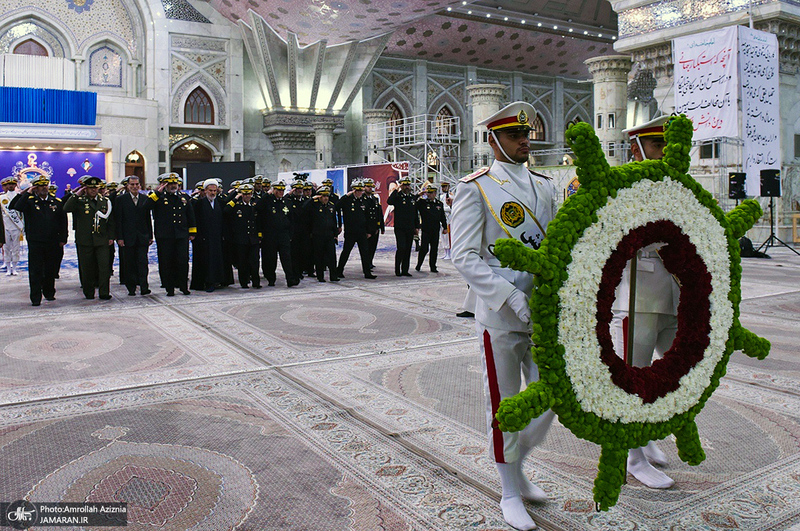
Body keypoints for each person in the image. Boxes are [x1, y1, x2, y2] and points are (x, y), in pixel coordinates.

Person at [451, 102, 558, 531]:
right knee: (506, 405)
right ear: (493, 140)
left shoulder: (546, 184)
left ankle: (517, 463)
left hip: (544, 312)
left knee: (552, 394)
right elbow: (464, 255)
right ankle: (509, 489)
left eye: (526, 134)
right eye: (515, 136)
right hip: (500, 314)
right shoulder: (475, 187)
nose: (525, 141)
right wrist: (510, 296)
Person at [614, 115, 676, 490]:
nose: (664, 151)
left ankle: (646, 432)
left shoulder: (674, 186)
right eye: (656, 145)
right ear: (636, 149)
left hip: (673, 294)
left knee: (674, 374)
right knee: (633, 380)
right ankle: (634, 457)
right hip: (637, 296)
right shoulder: (623, 189)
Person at [10, 172, 67, 306]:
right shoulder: (29, 201)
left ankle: (49, 292)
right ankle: (35, 297)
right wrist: (26, 192)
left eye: (45, 185)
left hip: (52, 241)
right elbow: (14, 206)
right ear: (35, 188)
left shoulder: (56, 202)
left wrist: (63, 238)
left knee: (50, 269)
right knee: (35, 270)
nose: (44, 188)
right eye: (40, 186)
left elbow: (62, 222)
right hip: (36, 241)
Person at [63, 176, 115, 300]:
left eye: (95, 188)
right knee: (87, 268)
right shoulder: (80, 200)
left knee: (104, 267)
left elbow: (111, 220)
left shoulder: (104, 201)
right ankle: (89, 292)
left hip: (101, 239)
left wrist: (111, 236)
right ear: (85, 188)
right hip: (85, 239)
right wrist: (77, 194)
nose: (93, 190)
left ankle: (104, 292)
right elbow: (66, 208)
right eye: (90, 188)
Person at [146, 172, 196, 296]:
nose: (173, 186)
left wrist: (192, 231)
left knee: (183, 261)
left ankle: (183, 286)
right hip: (165, 236)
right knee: (166, 262)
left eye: (175, 183)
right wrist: (157, 192)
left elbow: (190, 215)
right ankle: (170, 288)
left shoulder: (184, 197)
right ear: (164, 184)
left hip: (181, 235)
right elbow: (146, 207)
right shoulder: (158, 197)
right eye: (170, 183)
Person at [115, 175, 152, 296]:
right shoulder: (121, 199)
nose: (135, 187)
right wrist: (119, 237)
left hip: (142, 237)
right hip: (127, 237)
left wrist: (150, 235)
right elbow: (118, 220)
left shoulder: (144, 198)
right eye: (132, 185)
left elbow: (148, 219)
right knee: (129, 263)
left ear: (140, 185)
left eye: (137, 184)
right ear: (128, 186)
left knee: (143, 263)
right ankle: (131, 288)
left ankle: (144, 287)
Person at [258, 180, 299, 287]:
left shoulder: (287, 202)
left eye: (282, 190)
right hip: (270, 235)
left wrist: (290, 234)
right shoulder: (268, 201)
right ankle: (271, 279)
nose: (281, 192)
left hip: (283, 235)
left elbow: (291, 220)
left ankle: (290, 279)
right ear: (274, 190)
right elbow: (258, 207)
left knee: (286, 258)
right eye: (278, 190)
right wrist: (268, 194)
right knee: (271, 259)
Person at [336, 180, 377, 279]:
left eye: (361, 191)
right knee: (346, 252)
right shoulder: (347, 200)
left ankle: (367, 272)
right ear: (354, 190)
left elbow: (367, 216)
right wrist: (346, 196)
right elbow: (337, 206)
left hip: (362, 231)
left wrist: (368, 231)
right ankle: (339, 270)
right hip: (351, 232)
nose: (360, 193)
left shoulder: (363, 200)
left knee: (365, 252)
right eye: (358, 191)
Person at [224, 182, 262, 289]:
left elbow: (259, 221)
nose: (247, 197)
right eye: (245, 194)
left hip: (253, 238)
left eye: (249, 194)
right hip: (241, 239)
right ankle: (244, 282)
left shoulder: (255, 205)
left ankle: (256, 282)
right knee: (242, 262)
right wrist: (236, 198)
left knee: (255, 261)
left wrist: (259, 235)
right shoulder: (236, 205)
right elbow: (226, 210)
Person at [194, 178, 226, 292]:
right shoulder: (199, 204)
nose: (213, 193)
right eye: (210, 191)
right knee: (205, 260)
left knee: (216, 259)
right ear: (205, 191)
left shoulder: (219, 203)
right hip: (204, 238)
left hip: (216, 237)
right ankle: (207, 282)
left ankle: (216, 280)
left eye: (214, 191)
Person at [303, 185, 340, 282]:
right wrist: (312, 199)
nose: (326, 198)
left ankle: (333, 276)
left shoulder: (331, 206)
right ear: (319, 197)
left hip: (329, 235)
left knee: (332, 256)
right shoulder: (314, 206)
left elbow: (333, 221)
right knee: (319, 257)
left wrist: (335, 234)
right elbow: (304, 209)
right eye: (323, 196)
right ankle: (320, 276)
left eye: (327, 196)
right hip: (318, 235)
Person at [387, 177, 418, 277]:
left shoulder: (412, 198)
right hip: (400, 227)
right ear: (401, 186)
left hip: (410, 227)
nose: (407, 187)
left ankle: (405, 270)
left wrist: (417, 227)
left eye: (408, 185)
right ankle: (397, 269)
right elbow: (389, 201)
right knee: (401, 247)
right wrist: (396, 189)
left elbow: (415, 213)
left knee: (408, 249)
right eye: (404, 185)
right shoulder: (398, 196)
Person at [415, 184, 448, 273]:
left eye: (430, 192)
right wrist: (419, 194)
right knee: (424, 249)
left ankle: (433, 266)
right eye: (428, 192)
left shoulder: (439, 204)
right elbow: (413, 202)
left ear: (435, 193)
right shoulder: (422, 203)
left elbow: (442, 217)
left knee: (434, 249)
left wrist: (445, 227)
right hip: (426, 229)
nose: (428, 194)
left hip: (435, 229)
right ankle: (419, 265)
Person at [0, 176, 23, 276]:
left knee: (16, 248)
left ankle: (14, 267)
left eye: (13, 184)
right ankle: (8, 268)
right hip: (5, 226)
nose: (10, 186)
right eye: (9, 184)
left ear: (15, 185)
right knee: (6, 248)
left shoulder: (19, 196)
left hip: (17, 226)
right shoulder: (1, 198)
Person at [363, 178, 384, 270]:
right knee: (366, 247)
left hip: (375, 226)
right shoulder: (362, 199)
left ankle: (370, 261)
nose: (370, 188)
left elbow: (379, 213)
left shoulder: (375, 198)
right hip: (366, 227)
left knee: (373, 246)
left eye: (371, 186)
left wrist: (381, 226)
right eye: (368, 186)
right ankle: (366, 263)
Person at [439, 181, 453, 260]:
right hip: (443, 218)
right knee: (443, 237)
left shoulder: (451, 196)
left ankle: (450, 253)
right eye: (443, 187)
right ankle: (446, 252)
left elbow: (452, 207)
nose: (443, 188)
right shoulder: (441, 196)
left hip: (448, 218)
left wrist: (443, 209)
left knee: (448, 237)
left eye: (445, 187)